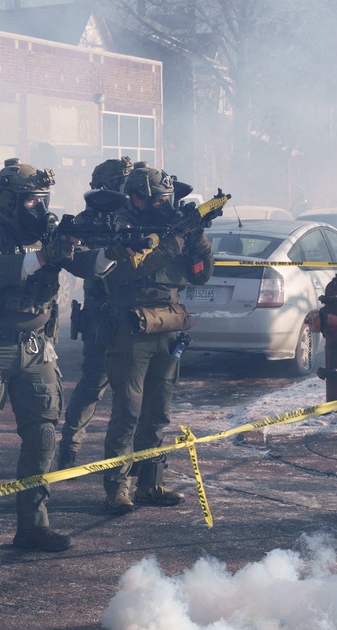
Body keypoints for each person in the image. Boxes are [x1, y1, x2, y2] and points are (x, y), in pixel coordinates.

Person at [0, 158, 114, 554]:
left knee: (43, 436)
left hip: (36, 347)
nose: (41, 208)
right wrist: (46, 256)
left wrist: (113, 251)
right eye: (32, 200)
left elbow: (89, 266)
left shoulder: (49, 232)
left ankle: (33, 525)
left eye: (44, 199)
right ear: (8, 200)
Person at [101, 162, 213, 514]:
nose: (166, 205)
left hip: (168, 325)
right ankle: (118, 487)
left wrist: (197, 238)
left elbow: (200, 276)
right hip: (131, 328)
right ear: (137, 198)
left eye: (168, 198)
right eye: (159, 199)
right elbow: (127, 271)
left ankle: (150, 483)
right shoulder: (120, 226)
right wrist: (172, 242)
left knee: (157, 413)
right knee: (128, 413)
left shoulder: (173, 228)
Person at [56, 156, 133, 470]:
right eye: (121, 183)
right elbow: (83, 263)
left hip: (134, 314)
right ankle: (69, 449)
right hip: (102, 314)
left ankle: (136, 457)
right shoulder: (88, 221)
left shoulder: (135, 216)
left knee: (133, 393)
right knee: (92, 386)